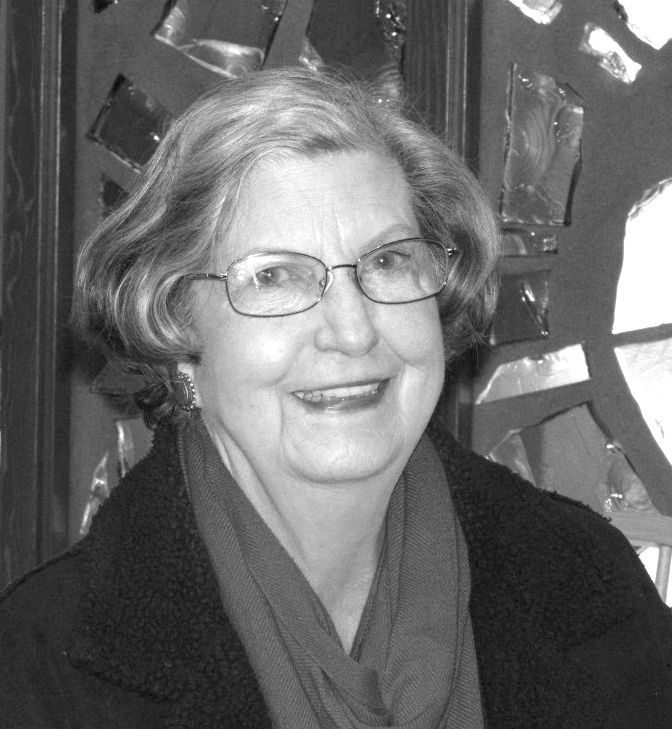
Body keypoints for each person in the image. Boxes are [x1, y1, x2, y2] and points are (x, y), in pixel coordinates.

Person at [1, 67, 671, 729]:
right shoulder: (38, 671)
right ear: (176, 329)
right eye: (274, 277)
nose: (352, 332)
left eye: (388, 261)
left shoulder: (592, 593)